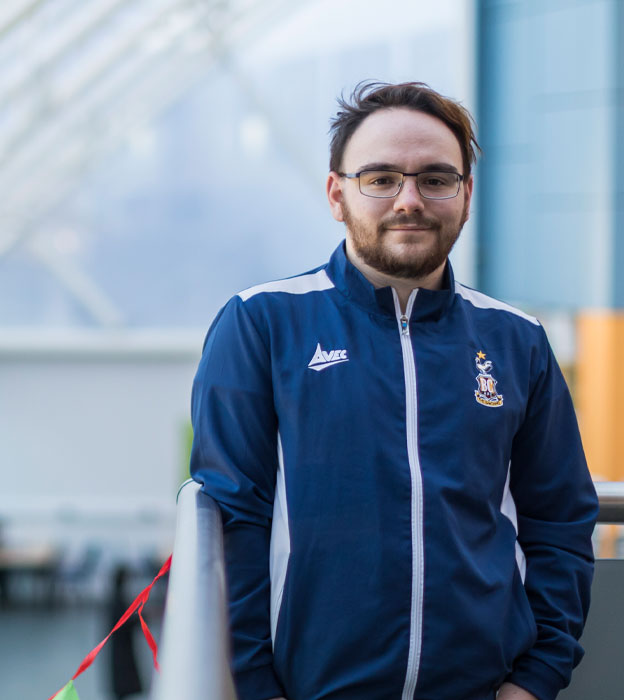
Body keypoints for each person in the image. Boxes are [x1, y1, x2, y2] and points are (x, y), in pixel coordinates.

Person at [188, 81, 599, 700]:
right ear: (337, 193)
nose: (410, 200)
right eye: (380, 178)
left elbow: (560, 517)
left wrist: (537, 678)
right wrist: (251, 684)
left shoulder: (518, 340)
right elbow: (231, 521)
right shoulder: (262, 323)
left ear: (465, 196)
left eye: (436, 178)